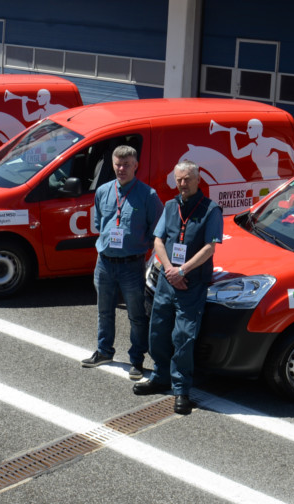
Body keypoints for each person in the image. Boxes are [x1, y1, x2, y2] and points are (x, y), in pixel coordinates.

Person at [134, 160, 223, 415]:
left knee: (183, 337)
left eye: (187, 179)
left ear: (198, 180)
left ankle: (181, 389)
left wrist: (182, 271)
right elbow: (158, 240)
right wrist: (169, 269)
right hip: (167, 279)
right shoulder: (171, 206)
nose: (182, 184)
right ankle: (160, 376)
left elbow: (209, 248)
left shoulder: (210, 210)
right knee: (158, 331)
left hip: (191, 282)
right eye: (179, 179)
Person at [80, 145, 162, 381]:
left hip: (131, 265)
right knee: (104, 311)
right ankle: (104, 351)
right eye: (117, 164)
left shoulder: (148, 196)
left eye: (126, 164)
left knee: (136, 315)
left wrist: (137, 247)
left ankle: (137, 359)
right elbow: (100, 222)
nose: (121, 168)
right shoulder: (103, 191)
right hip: (104, 262)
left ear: (136, 165)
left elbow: (156, 231)